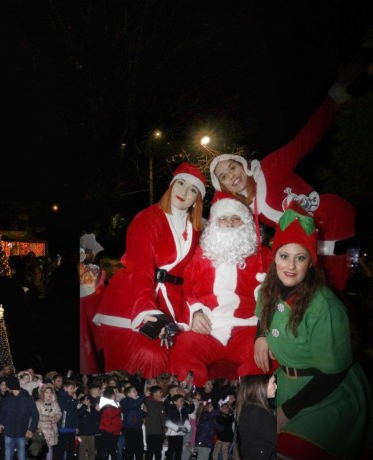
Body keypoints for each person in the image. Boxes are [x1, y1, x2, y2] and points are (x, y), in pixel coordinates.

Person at [208, 67, 361, 292]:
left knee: (335, 300)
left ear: (244, 167)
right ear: (223, 186)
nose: (231, 175)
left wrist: (334, 98)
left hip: (331, 223)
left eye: (233, 167)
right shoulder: (242, 209)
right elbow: (218, 222)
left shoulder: (270, 169)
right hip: (305, 254)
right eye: (223, 176)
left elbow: (303, 141)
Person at [255, 207, 373, 458]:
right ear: (274, 257)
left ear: (311, 262)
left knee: (290, 450)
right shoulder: (270, 287)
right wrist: (261, 336)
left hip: (328, 391)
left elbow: (332, 375)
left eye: (300, 258)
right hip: (289, 384)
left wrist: (287, 411)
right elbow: (263, 316)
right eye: (284, 255)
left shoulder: (325, 306)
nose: (290, 266)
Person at [93, 163, 206, 377]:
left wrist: (197, 308)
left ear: (197, 199)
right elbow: (139, 269)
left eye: (192, 189)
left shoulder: (197, 229)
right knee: (150, 356)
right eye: (180, 183)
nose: (183, 192)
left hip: (172, 302)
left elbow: (195, 275)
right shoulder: (147, 219)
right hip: (132, 299)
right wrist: (148, 311)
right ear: (171, 185)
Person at [169, 195, 273, 382]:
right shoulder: (199, 255)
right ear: (214, 224)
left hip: (247, 327)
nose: (229, 224)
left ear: (247, 224)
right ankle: (189, 406)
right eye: (223, 219)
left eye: (236, 219)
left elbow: (275, 296)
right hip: (208, 326)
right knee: (183, 348)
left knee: (262, 360)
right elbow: (184, 289)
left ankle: (252, 405)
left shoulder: (263, 256)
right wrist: (195, 313)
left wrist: (263, 334)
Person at [0, 376, 39, 460]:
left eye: (7, 386)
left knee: (21, 457)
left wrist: (31, 429)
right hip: (8, 433)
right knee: (8, 457)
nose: (6, 388)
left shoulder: (27, 399)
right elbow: (2, 414)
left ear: (10, 387)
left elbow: (35, 415)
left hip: (21, 434)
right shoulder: (7, 399)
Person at [234, 374, 276, 460]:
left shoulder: (252, 409)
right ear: (261, 385)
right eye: (273, 382)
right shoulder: (255, 412)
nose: (276, 386)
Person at [34, 386, 61, 460]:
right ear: (43, 393)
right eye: (47, 392)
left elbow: (59, 413)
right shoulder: (38, 403)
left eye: (50, 392)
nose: (49, 394)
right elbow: (37, 415)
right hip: (41, 429)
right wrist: (48, 418)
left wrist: (56, 418)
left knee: (49, 448)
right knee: (40, 450)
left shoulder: (55, 403)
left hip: (51, 429)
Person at [118, 385, 145, 460]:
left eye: (136, 391)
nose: (136, 392)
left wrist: (145, 412)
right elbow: (134, 405)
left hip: (137, 428)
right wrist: (144, 396)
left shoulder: (136, 403)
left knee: (139, 448)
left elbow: (140, 413)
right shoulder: (125, 401)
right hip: (129, 428)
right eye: (134, 391)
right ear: (128, 394)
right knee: (130, 448)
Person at [163, 395, 190, 460]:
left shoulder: (183, 410)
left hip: (180, 434)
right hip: (172, 434)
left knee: (179, 452)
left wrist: (187, 428)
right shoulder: (170, 409)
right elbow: (167, 422)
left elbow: (186, 420)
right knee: (171, 452)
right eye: (180, 401)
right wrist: (178, 428)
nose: (182, 402)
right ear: (175, 402)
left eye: (183, 401)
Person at [143, 385, 166, 460]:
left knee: (158, 451)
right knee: (150, 451)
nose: (161, 394)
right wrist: (161, 403)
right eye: (160, 392)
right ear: (155, 393)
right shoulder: (149, 401)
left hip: (159, 431)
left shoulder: (157, 402)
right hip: (152, 431)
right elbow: (157, 411)